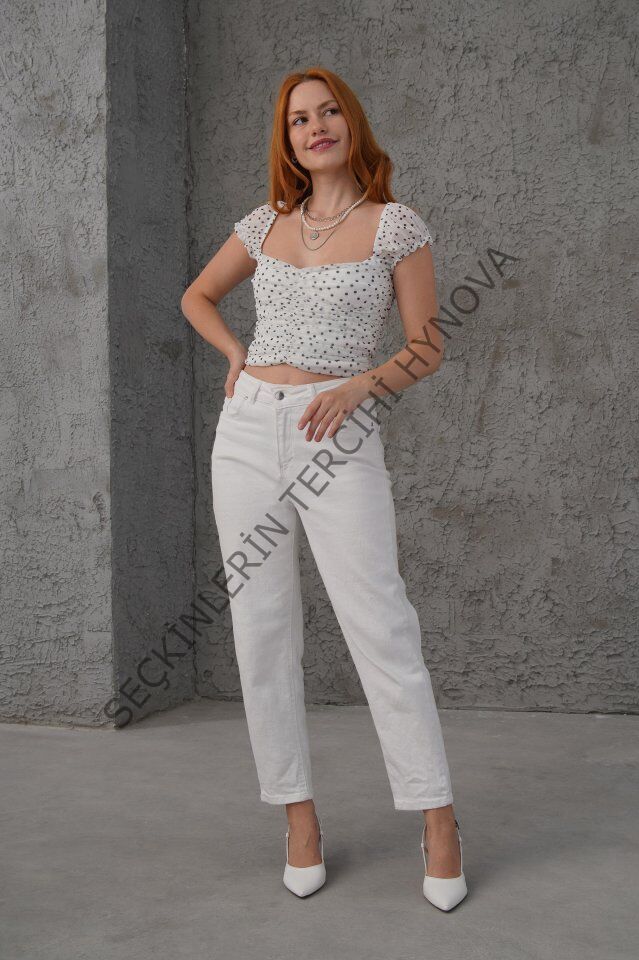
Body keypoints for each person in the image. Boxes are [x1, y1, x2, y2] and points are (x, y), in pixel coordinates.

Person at [181, 66, 467, 911]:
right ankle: (298, 819)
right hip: (246, 432)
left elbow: (428, 346)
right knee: (261, 631)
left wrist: (361, 386)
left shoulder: (394, 225)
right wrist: (236, 354)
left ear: (351, 122)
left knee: (381, 624)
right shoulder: (265, 222)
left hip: (336, 432)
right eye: (299, 119)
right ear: (289, 140)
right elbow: (198, 296)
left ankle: (439, 820)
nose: (316, 127)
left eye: (329, 111)